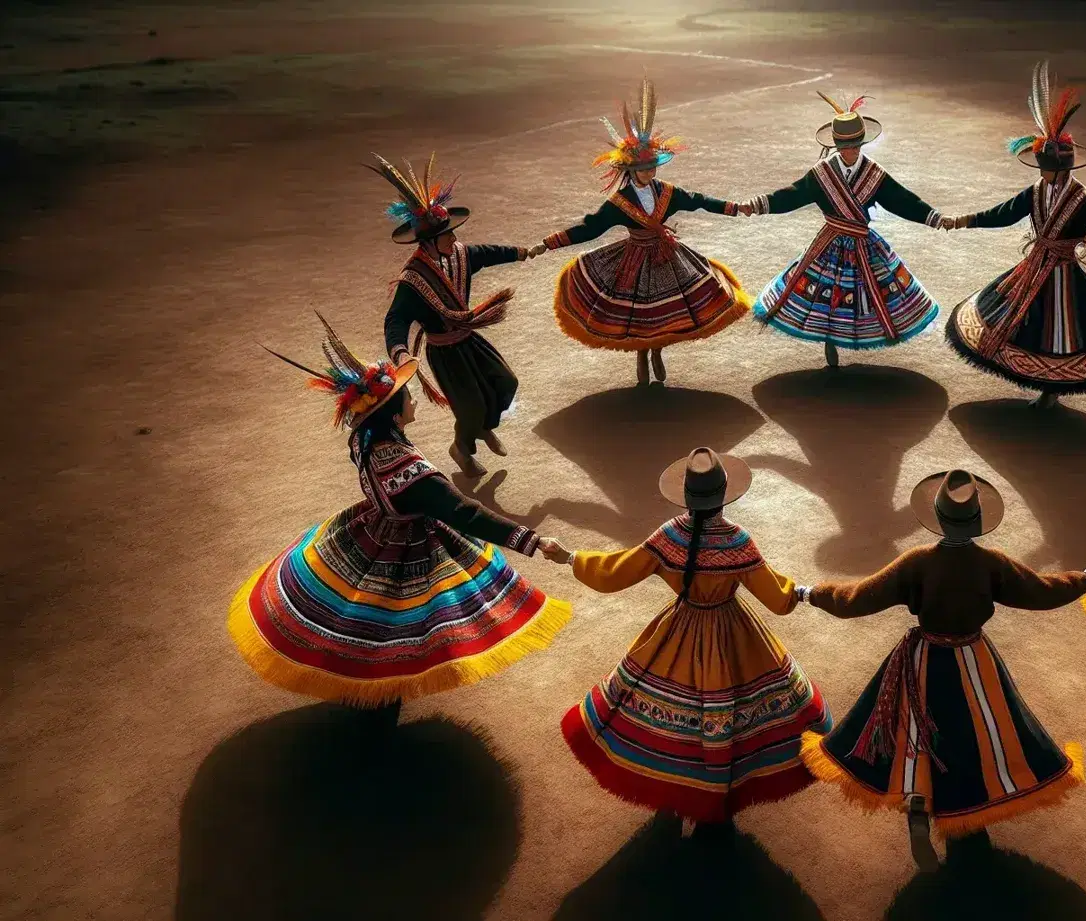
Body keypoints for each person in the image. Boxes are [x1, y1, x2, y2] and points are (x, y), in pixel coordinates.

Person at [231, 315, 571, 721]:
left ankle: (362, 694)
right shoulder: (405, 464)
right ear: (394, 413)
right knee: (395, 635)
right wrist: (531, 541)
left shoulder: (366, 440)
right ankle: (377, 714)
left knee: (360, 625)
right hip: (405, 549)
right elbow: (462, 512)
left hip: (368, 530)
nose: (413, 401)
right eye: (407, 397)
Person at [800, 469, 1086, 871]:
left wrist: (812, 594)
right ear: (978, 522)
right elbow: (1042, 591)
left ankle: (918, 796)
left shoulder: (918, 562)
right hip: (973, 657)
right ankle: (966, 810)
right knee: (976, 733)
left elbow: (858, 598)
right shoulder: (990, 563)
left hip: (923, 656)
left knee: (913, 730)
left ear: (936, 516)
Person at [538, 448, 830, 834]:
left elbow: (614, 572)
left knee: (665, 715)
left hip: (677, 631)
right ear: (725, 495)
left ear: (687, 497)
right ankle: (716, 800)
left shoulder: (669, 535)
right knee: (725, 718)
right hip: (731, 632)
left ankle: (670, 790)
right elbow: (778, 599)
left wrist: (570, 557)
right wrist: (808, 593)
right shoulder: (738, 542)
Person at [941, 61, 1086, 408]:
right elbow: (1004, 214)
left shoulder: (1081, 199)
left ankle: (1051, 391)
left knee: (1063, 331)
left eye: (1047, 168)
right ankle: (1044, 387)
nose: (1043, 172)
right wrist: (964, 221)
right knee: (1026, 323)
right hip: (1035, 267)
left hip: (1063, 271)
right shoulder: (1037, 190)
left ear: (1060, 170)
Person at [532, 77, 752, 386]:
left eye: (653, 166)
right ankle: (641, 353)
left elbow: (697, 201)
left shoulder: (668, 192)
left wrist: (731, 207)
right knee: (640, 311)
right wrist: (549, 243)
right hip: (634, 258)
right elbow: (590, 227)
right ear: (630, 171)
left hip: (667, 256)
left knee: (667, 308)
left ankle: (657, 350)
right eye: (644, 168)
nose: (651, 172)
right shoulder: (619, 203)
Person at [742, 92, 944, 367]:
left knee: (869, 292)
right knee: (827, 291)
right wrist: (757, 205)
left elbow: (902, 200)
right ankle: (830, 339)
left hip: (863, 241)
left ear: (862, 144)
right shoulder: (821, 174)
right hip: (831, 242)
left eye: (855, 145)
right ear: (836, 145)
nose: (851, 151)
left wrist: (933, 217)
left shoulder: (874, 174)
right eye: (846, 146)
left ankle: (853, 333)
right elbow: (790, 196)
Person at [372, 153, 538, 478]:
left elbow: (488, 253)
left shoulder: (459, 255)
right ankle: (462, 448)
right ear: (431, 243)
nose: (455, 238)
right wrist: (401, 352)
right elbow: (395, 320)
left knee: (507, 382)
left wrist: (520, 252)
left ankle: (482, 428)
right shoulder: (412, 281)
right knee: (470, 406)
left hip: (469, 340)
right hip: (445, 351)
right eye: (448, 234)